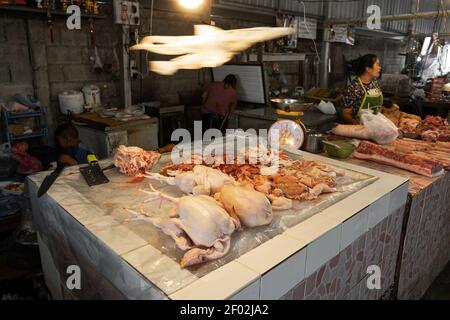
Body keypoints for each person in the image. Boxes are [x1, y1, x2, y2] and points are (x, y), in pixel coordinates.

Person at [341, 54, 393, 124]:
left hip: (376, 122)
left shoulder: (374, 82)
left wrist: (387, 110)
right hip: (362, 126)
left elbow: (375, 107)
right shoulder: (354, 88)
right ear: (368, 69)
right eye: (377, 65)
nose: (379, 68)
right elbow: (345, 114)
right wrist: (357, 124)